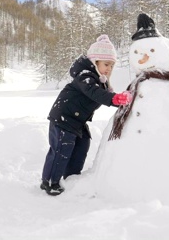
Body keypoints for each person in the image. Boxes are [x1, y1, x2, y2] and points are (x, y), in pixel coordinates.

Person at [40, 34, 131, 196]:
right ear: (95, 62)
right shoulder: (85, 76)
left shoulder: (100, 80)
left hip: (77, 121)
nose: (109, 68)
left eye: (111, 65)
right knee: (61, 149)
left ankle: (71, 178)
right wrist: (114, 99)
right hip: (63, 118)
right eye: (106, 64)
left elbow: (102, 93)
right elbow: (93, 93)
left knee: (82, 145)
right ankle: (49, 182)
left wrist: (118, 97)